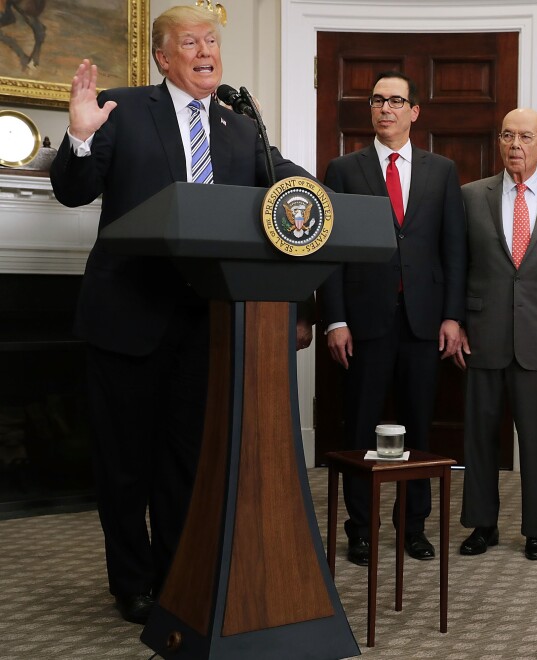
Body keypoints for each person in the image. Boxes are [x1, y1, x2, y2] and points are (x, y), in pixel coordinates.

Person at [50, 5, 313, 624]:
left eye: (212, 41)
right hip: (126, 316)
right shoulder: (120, 108)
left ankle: (176, 575)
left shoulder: (239, 128)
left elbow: (281, 193)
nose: (205, 51)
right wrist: (81, 136)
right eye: (190, 42)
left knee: (187, 463)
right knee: (124, 465)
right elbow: (71, 189)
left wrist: (339, 193)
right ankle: (132, 581)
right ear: (163, 58)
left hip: (205, 323)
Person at [319, 71, 466, 566]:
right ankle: (361, 527)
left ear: (414, 111)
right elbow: (330, 252)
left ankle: (414, 526)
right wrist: (334, 319)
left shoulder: (441, 170)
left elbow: (453, 249)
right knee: (360, 427)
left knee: (419, 431)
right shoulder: (343, 169)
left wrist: (452, 316)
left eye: (397, 101)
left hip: (424, 322)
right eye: (378, 100)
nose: (387, 108)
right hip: (364, 323)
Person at [456, 108, 537, 561]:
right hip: (482, 332)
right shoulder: (471, 196)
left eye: (526, 136)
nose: (516, 144)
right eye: (508, 135)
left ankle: (536, 529)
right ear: (499, 143)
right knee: (479, 436)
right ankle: (482, 525)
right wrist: (454, 323)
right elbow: (458, 267)